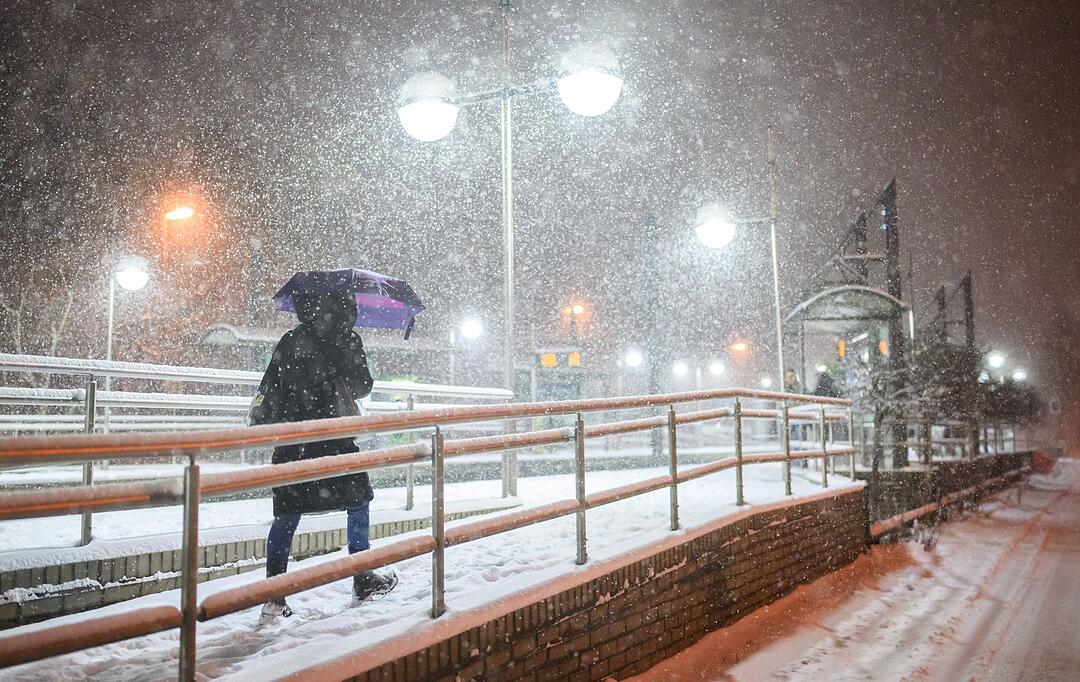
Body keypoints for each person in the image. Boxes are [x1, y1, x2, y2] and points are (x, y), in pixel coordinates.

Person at [249, 288, 396, 619]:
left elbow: (270, 386)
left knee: (287, 514)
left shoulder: (290, 340)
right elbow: (363, 386)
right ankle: (362, 576)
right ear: (345, 308)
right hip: (334, 441)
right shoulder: (347, 340)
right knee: (359, 501)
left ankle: (275, 596)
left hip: (292, 442)